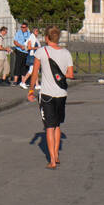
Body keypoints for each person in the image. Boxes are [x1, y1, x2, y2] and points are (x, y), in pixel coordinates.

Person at [29, 26, 74, 169]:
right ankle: (56, 154)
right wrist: (59, 74)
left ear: (47, 38)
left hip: (47, 94)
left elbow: (35, 73)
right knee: (57, 125)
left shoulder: (41, 52)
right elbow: (70, 74)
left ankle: (52, 160)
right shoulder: (66, 53)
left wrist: (31, 90)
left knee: (49, 126)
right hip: (61, 94)